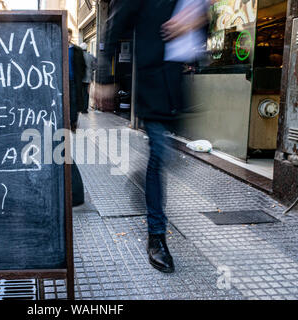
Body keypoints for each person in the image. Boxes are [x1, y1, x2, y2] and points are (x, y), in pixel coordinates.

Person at [94, 0, 209, 273]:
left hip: (179, 85)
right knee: (159, 154)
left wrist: (197, 23)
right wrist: (104, 78)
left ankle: (145, 183)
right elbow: (113, 24)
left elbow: (203, 29)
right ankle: (156, 236)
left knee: (166, 157)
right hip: (153, 83)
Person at [68, 29, 86, 131]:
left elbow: (83, 66)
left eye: (69, 35)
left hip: (74, 81)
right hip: (62, 81)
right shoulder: (58, 47)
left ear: (71, 36)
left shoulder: (77, 50)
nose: (67, 37)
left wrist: (80, 77)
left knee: (74, 101)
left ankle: (73, 122)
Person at [80, 42, 96, 114]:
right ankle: (85, 109)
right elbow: (95, 67)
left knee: (80, 92)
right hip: (88, 78)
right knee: (86, 93)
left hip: (80, 77)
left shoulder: (79, 56)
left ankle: (80, 107)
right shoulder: (91, 56)